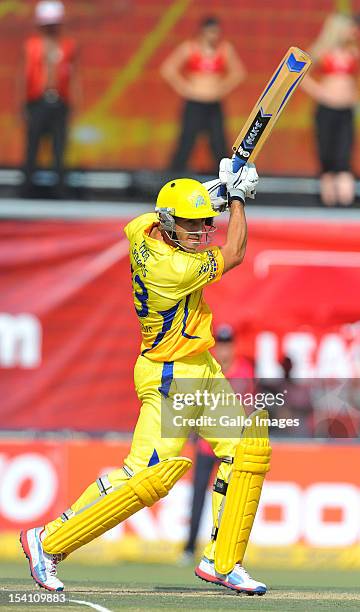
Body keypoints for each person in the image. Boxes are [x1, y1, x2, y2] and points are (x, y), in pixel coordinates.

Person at [20, 159, 272, 596]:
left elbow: (157, 216)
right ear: (169, 225)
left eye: (203, 223)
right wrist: (235, 198)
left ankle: (223, 561)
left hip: (200, 366)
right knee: (147, 477)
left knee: (248, 447)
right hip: (171, 375)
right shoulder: (170, 270)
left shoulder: (143, 228)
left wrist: (209, 191)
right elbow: (235, 253)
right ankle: (49, 540)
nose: (200, 233)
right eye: (191, 226)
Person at [181, 324, 254, 563]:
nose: (224, 350)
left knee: (229, 499)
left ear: (233, 346)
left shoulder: (243, 370)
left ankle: (224, 547)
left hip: (231, 447)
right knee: (199, 497)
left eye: (227, 344)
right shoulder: (209, 368)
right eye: (220, 345)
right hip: (206, 444)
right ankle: (190, 547)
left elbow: (249, 405)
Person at [160, 16, 245, 172]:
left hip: (214, 103)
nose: (214, 36)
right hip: (194, 102)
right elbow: (168, 69)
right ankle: (174, 174)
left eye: (216, 32)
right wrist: (184, 87)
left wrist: (223, 87)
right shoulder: (189, 48)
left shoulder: (225, 49)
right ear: (202, 32)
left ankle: (225, 177)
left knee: (218, 141)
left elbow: (238, 73)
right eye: (211, 32)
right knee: (187, 140)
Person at [18, 1, 80, 198]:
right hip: (37, 101)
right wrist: (22, 104)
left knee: (59, 148)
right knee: (32, 146)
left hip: (60, 101)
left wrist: (75, 103)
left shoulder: (68, 46)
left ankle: (60, 190)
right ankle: (26, 188)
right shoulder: (31, 45)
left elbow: (75, 76)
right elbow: (23, 76)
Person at [301, 13, 359, 206]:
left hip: (346, 110)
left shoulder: (353, 51)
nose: (355, 32)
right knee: (327, 156)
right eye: (351, 28)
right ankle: (329, 202)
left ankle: (346, 204)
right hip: (327, 109)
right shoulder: (323, 51)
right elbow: (301, 74)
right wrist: (320, 92)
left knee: (344, 155)